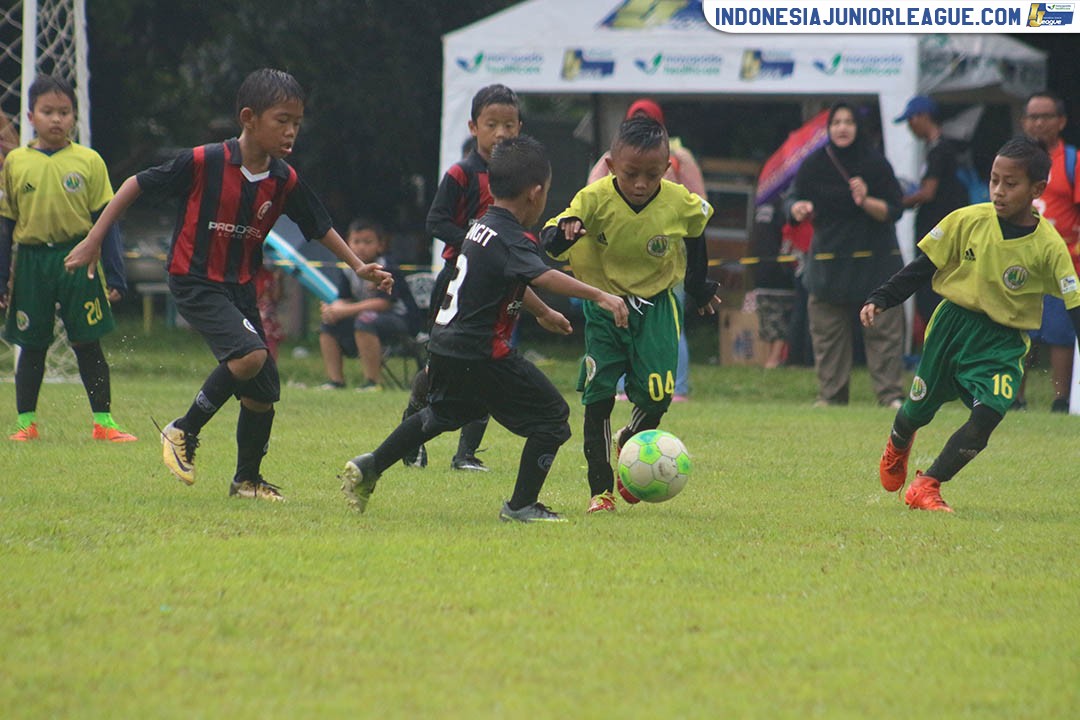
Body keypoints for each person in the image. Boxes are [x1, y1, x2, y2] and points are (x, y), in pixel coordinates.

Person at [65, 68, 392, 501]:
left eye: (297, 122)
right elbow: (133, 185)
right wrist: (93, 240)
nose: (291, 130)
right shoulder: (203, 161)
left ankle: (246, 481)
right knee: (251, 355)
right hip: (194, 279)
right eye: (282, 120)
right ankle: (182, 429)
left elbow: (318, 225)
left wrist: (358, 265)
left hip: (239, 288)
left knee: (261, 393)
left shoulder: (284, 179)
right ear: (248, 117)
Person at [340, 135, 629, 522]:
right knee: (553, 418)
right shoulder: (513, 236)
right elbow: (540, 275)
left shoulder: (481, 227)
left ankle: (371, 464)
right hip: (481, 351)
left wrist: (541, 312)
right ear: (536, 193)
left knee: (441, 416)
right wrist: (602, 296)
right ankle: (521, 506)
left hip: (446, 345)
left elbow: (509, 278)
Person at [864, 136, 1080, 512]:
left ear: (1037, 189)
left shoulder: (1049, 245)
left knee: (990, 414)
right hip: (953, 327)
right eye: (994, 180)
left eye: (1010, 184)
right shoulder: (967, 220)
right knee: (918, 410)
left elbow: (1073, 302)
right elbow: (922, 268)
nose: (998, 191)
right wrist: (881, 298)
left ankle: (927, 485)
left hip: (1003, 340)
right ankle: (899, 441)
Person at [542, 115, 720, 514]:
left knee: (658, 396)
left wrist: (697, 284)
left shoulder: (678, 200)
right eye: (631, 174)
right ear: (610, 166)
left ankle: (633, 438)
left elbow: (697, 228)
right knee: (599, 396)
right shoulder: (593, 199)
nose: (641, 184)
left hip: (656, 305)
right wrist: (563, 231)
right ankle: (601, 492)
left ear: (667, 168)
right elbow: (551, 241)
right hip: (605, 306)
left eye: (651, 175)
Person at [0, 75, 136, 443]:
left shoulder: (89, 161)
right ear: (31, 116)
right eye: (47, 111)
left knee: (87, 342)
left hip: (79, 258)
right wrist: (2, 278)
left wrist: (117, 275)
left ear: (74, 116)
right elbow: (6, 222)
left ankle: (104, 423)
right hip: (31, 262)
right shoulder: (15, 162)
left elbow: (106, 222)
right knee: (32, 345)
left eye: (64, 112)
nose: (56, 119)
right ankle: (25, 423)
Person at [399, 83, 523, 473]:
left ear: (519, 127)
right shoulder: (462, 173)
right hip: (457, 283)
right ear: (473, 127)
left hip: (501, 289)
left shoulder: (520, 177)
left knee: (491, 364)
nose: (501, 133)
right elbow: (435, 221)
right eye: (492, 124)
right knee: (439, 371)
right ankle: (411, 432)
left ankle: (466, 454)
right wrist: (477, 242)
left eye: (509, 124)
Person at [789, 102, 906, 408]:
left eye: (849, 122)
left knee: (885, 336)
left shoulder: (876, 164)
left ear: (859, 127)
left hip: (876, 264)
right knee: (828, 337)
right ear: (828, 129)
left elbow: (894, 210)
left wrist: (865, 200)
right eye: (836, 122)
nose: (842, 128)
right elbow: (792, 199)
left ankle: (891, 395)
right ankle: (830, 396)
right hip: (829, 264)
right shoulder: (814, 163)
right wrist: (797, 208)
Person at [587, 98, 704, 400]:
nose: (641, 183)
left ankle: (675, 387)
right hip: (619, 262)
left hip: (665, 257)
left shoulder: (680, 157)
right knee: (620, 324)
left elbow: (700, 205)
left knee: (668, 325)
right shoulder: (609, 158)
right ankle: (625, 386)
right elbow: (590, 199)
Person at [1016, 91, 1080, 412]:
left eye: (1045, 116)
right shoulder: (1016, 161)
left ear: (1061, 121)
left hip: (1063, 262)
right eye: (1032, 117)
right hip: (1020, 263)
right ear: (1023, 121)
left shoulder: (1072, 161)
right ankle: (1014, 397)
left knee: (1060, 334)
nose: (1038, 123)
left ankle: (1060, 399)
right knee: (1018, 330)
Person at [894, 95, 969, 328]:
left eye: (911, 120)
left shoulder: (940, 150)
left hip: (940, 235)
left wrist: (897, 202)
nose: (909, 127)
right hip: (939, 232)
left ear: (923, 117)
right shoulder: (935, 149)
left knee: (931, 291)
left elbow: (927, 193)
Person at [318, 218, 410, 391]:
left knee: (365, 321)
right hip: (364, 315)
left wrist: (344, 311)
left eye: (368, 242)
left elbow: (383, 304)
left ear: (381, 245)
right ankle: (335, 381)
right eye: (356, 241)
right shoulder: (347, 268)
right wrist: (332, 310)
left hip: (398, 318)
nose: (361, 247)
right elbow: (343, 298)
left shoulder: (386, 265)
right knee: (328, 323)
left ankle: (373, 382)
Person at [747, 195, 796, 369]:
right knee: (771, 321)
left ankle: (774, 359)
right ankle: (771, 359)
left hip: (771, 273)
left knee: (776, 321)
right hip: (772, 273)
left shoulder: (771, 207)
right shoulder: (777, 207)